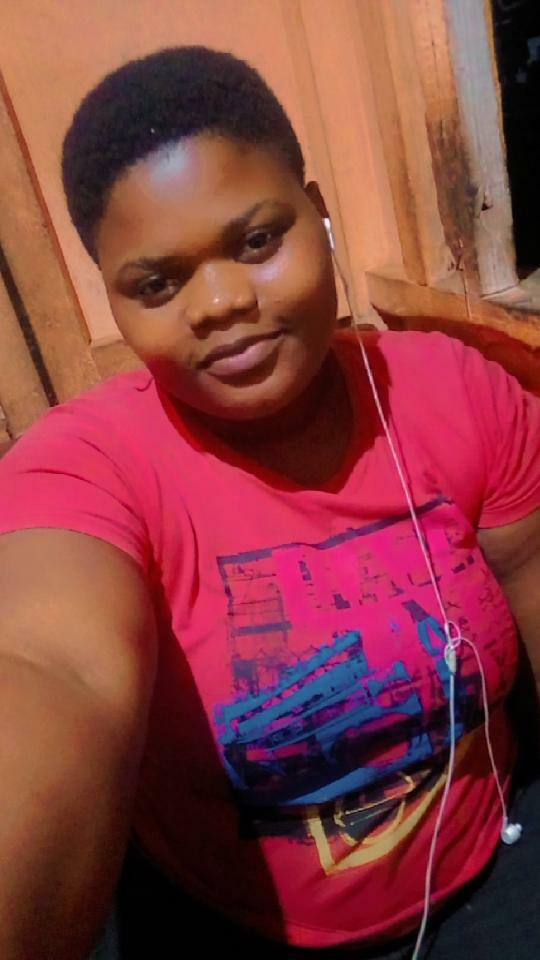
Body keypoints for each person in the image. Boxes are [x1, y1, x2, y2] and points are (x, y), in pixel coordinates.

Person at [0, 46, 538, 960]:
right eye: (158, 283)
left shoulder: (455, 394)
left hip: (494, 871)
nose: (220, 303)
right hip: (233, 923)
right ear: (112, 298)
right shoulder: (88, 465)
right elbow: (51, 668)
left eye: (256, 241)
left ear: (318, 213)